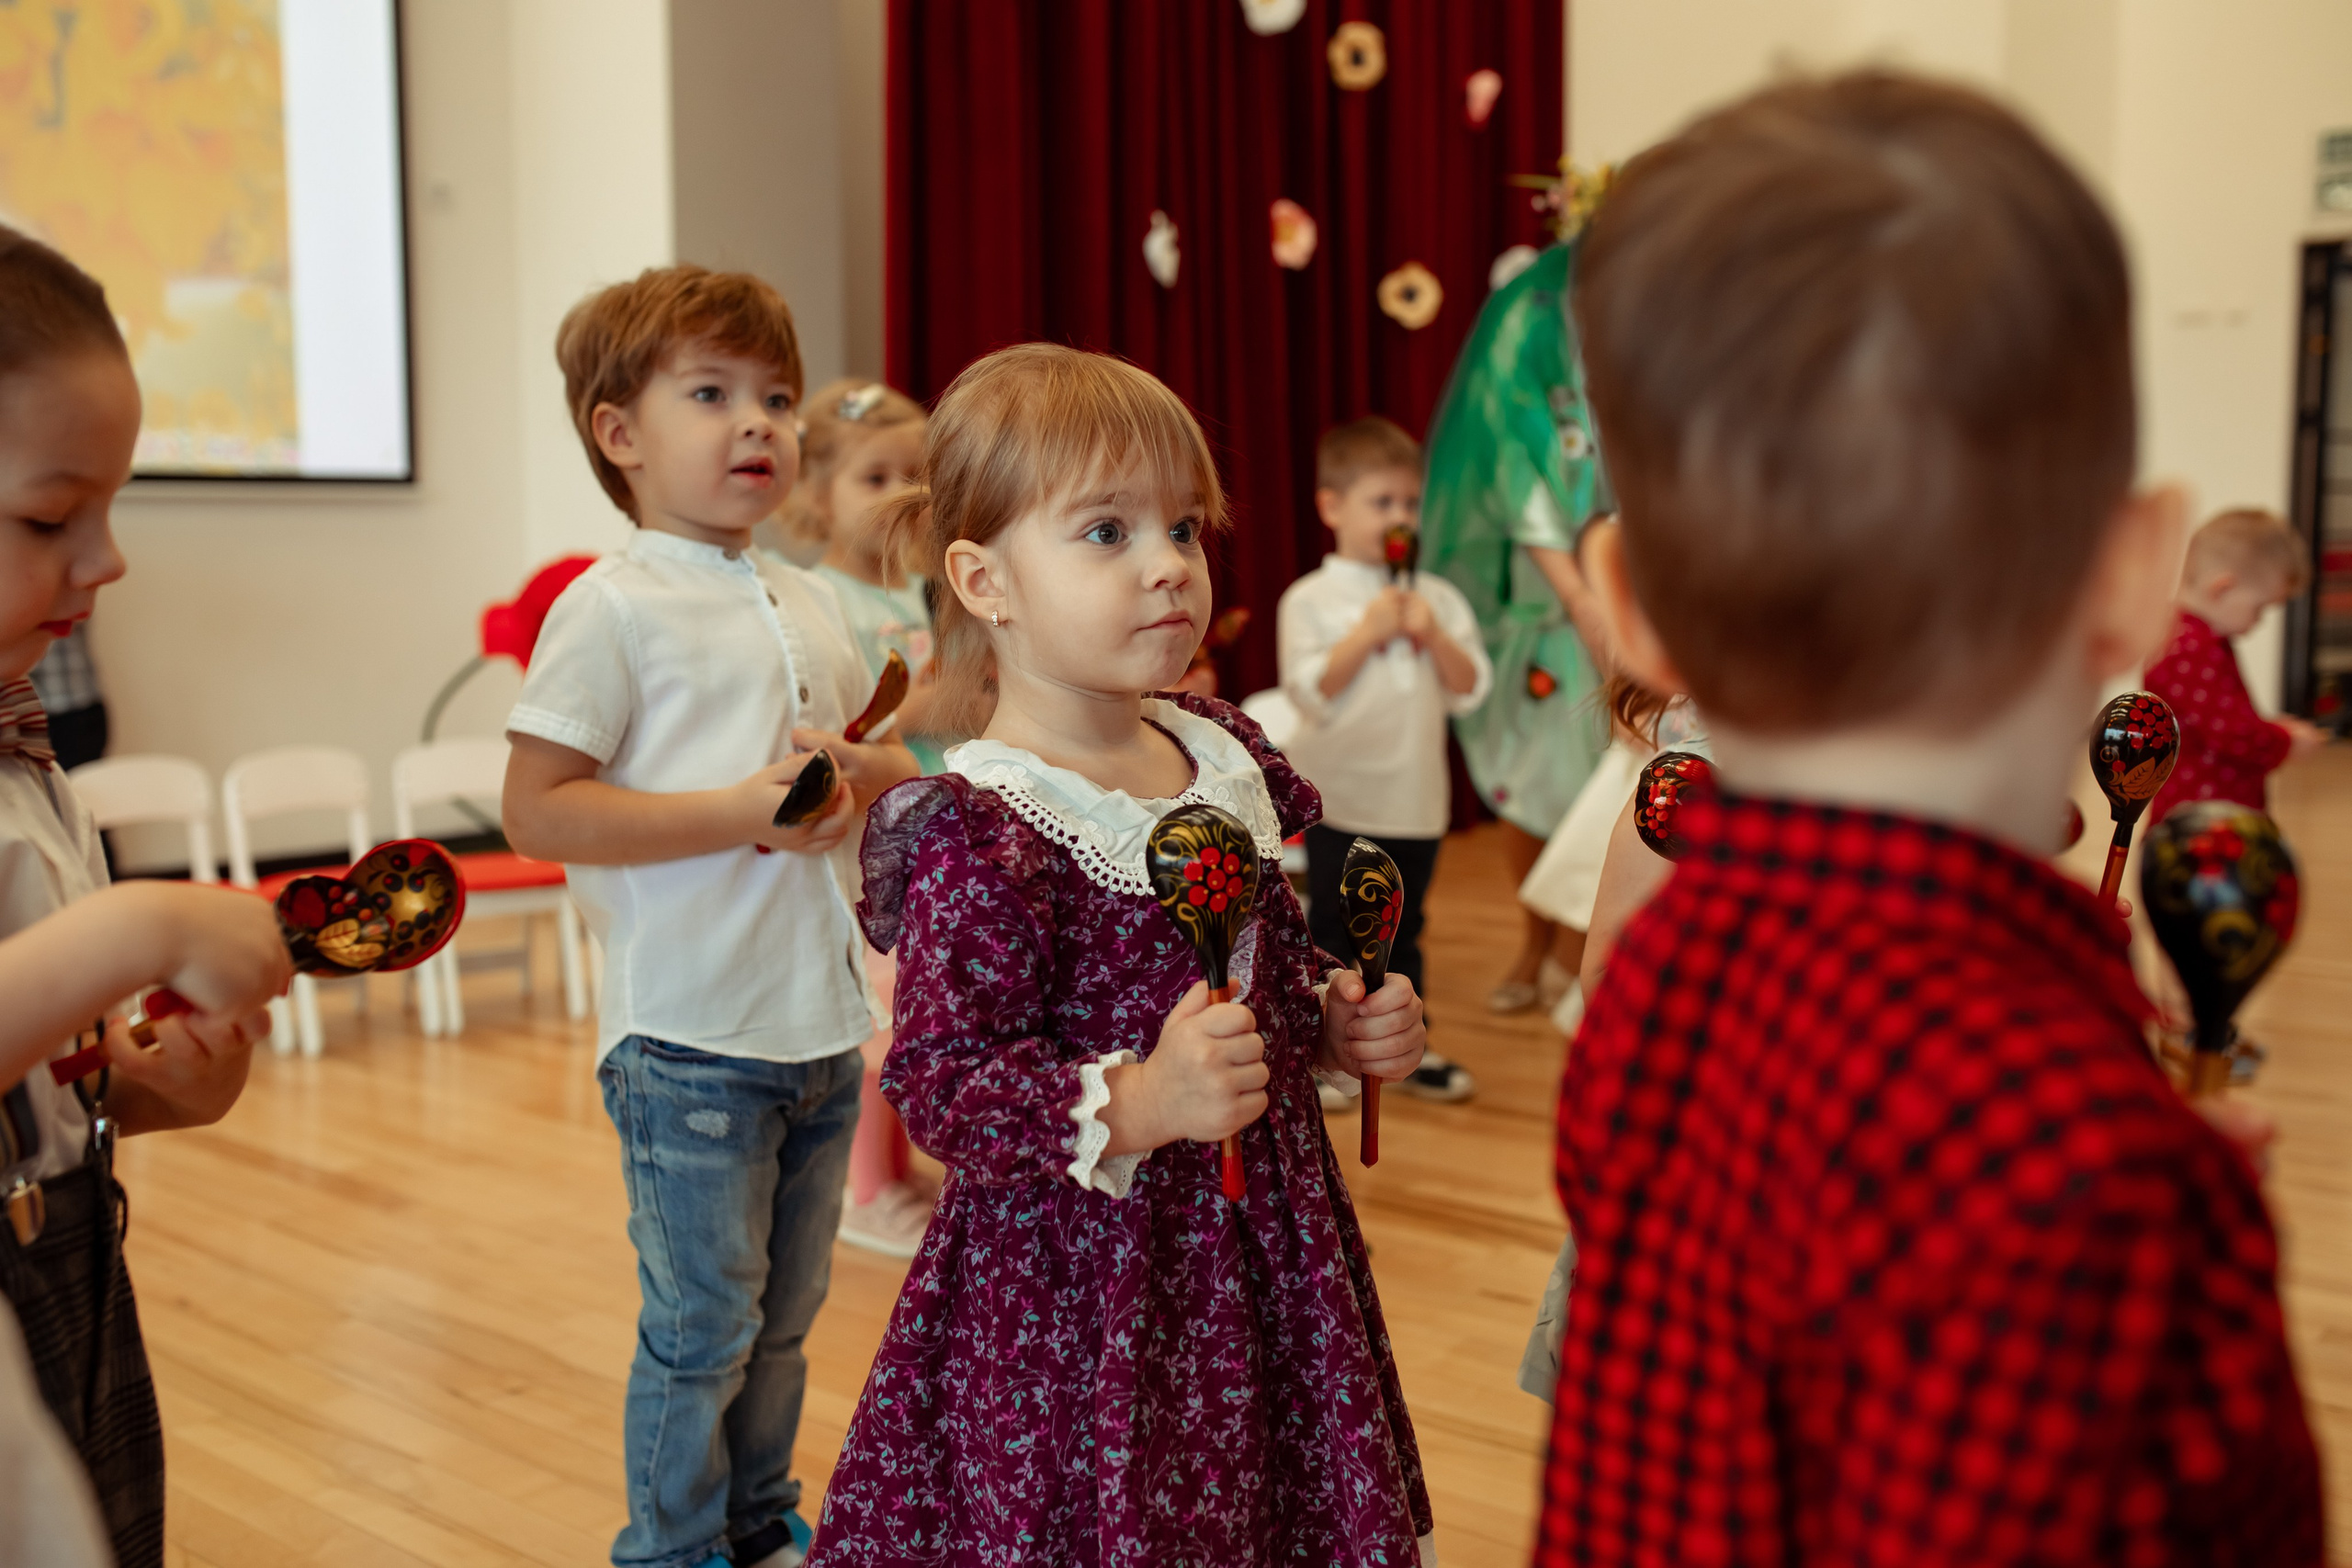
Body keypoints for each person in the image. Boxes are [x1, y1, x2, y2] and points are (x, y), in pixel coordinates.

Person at [1540, 72, 2321, 1563]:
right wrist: (2172, 1246)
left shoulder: (1653, 974)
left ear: (1631, 609)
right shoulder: (2083, 1170)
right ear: (2133, 579)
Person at [808, 344, 1438, 1566]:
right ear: (984, 579)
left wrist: (1333, 1022)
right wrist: (1141, 1098)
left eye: (1184, 527)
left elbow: (1262, 983)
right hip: (1081, 1291)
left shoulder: (1221, 751)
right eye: (1106, 531)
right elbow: (944, 1083)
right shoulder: (988, 830)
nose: (1169, 565)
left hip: (1262, 1254)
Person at [502, 265, 921, 1568]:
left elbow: (880, 771)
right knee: (701, 1332)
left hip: (817, 1024)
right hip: (688, 1034)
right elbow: (539, 810)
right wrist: (740, 808)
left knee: (785, 1319)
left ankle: (755, 1521)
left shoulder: (806, 600)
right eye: (711, 393)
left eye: (776, 397)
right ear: (619, 434)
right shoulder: (608, 605)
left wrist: (865, 778)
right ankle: (670, 1548)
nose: (758, 423)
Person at [0, 225, 291, 1568]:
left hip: (68, 1268)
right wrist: (147, 923)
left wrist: (127, 1082)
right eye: (52, 518)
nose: (106, 559)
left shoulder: (25, 753)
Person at [1278, 416, 1491, 1106]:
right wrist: (1367, 635)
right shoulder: (1310, 599)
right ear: (1332, 506)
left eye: (1409, 503)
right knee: (1337, 935)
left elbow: (1471, 687)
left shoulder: (1439, 597)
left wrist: (1432, 635)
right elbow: (1307, 691)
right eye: (1382, 502)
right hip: (1343, 797)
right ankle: (1330, 1056)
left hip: (1415, 798)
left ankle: (1406, 1048)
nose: (1400, 516)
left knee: (1407, 931)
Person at [775, 378, 942, 1258]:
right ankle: (866, 1185)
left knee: (919, 1008)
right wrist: (927, 702)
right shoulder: (818, 598)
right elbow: (842, 720)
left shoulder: (915, 590)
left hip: (932, 832)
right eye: (876, 477)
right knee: (885, 1018)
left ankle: (899, 1170)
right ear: (815, 495)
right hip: (873, 849)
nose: (903, 495)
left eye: (915, 476)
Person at [2143, 507, 2328, 825]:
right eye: (2259, 608)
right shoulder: (2190, 648)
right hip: (2204, 824)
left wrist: (2272, 729)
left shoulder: (2193, 639)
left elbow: (2221, 715)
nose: (2258, 622)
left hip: (2211, 812)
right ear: (2223, 589)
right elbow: (2231, 733)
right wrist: (2285, 741)